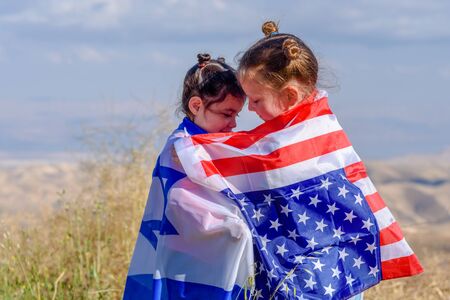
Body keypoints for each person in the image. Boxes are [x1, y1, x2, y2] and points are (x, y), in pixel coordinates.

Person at [174, 21, 423, 299]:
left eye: (255, 100)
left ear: (289, 95)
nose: (251, 110)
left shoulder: (311, 138)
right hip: (315, 269)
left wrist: (191, 146)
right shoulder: (308, 130)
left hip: (331, 268)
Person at [123, 54, 255, 299]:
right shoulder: (181, 148)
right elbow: (181, 204)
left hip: (211, 259)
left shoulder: (214, 144)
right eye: (227, 114)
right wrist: (232, 227)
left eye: (237, 115)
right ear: (196, 106)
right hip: (186, 263)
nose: (234, 123)